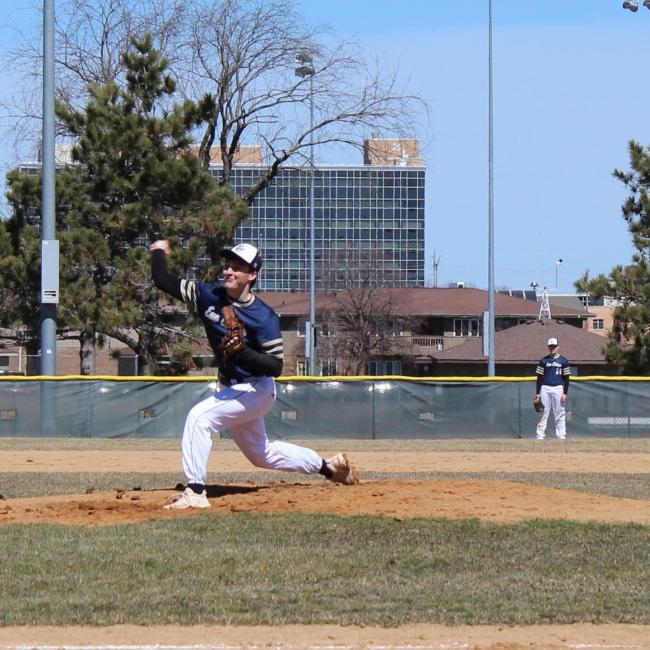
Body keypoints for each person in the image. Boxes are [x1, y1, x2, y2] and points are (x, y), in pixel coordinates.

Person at [149, 239, 359, 509]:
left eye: (237, 267)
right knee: (262, 454)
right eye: (228, 265)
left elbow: (276, 367)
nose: (229, 271)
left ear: (252, 275)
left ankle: (196, 492)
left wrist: (243, 353)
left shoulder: (263, 317)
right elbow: (163, 280)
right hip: (230, 389)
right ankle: (329, 468)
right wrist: (157, 251)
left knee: (198, 419)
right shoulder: (208, 295)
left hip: (256, 389)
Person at [534, 337, 571, 440]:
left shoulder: (563, 361)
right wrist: (537, 393)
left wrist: (565, 393)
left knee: (559, 412)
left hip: (558, 387)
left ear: (558, 347)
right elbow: (539, 378)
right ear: (548, 347)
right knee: (543, 412)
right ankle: (540, 436)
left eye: (554, 346)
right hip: (545, 387)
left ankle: (561, 435)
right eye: (550, 346)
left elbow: (566, 378)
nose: (552, 348)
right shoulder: (543, 361)